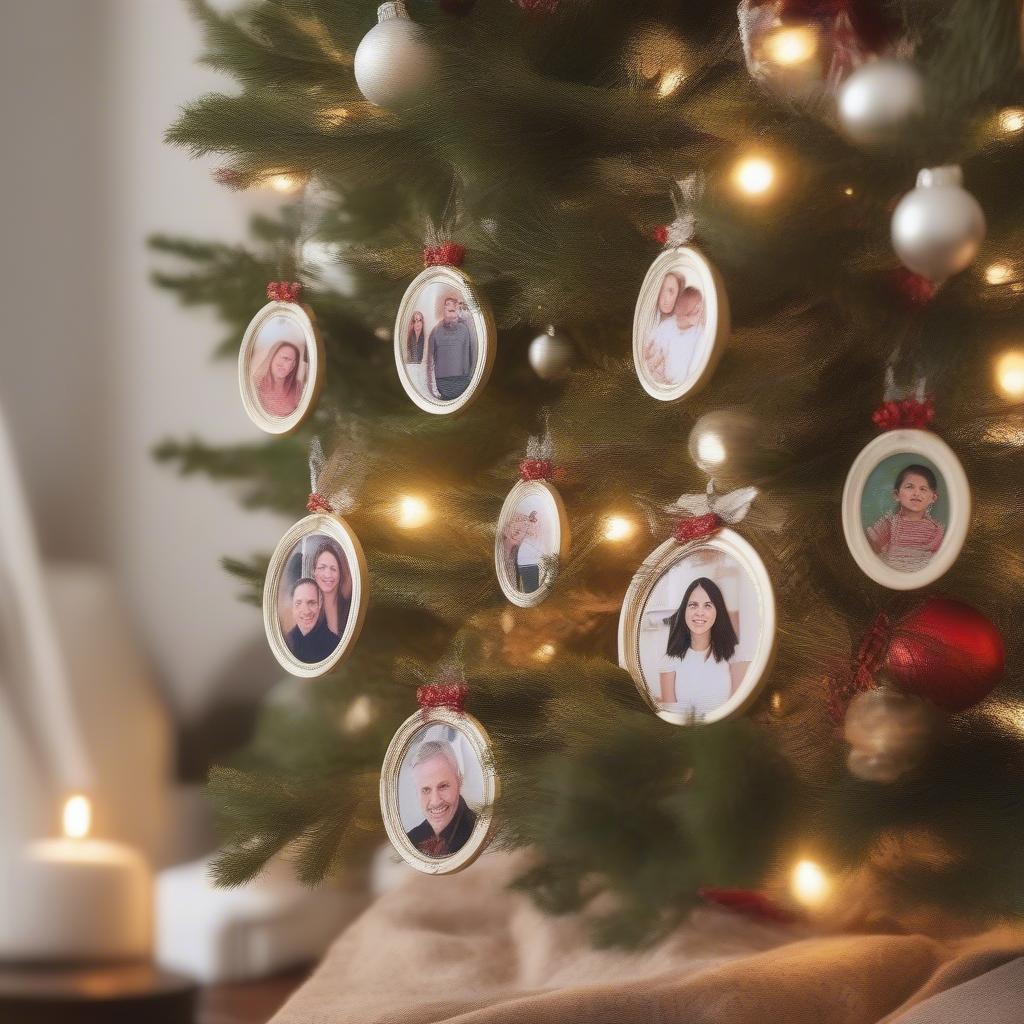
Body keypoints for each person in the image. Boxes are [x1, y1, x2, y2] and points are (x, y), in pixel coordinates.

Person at [657, 576, 749, 716]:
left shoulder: (735, 654)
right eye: (693, 605)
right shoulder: (669, 660)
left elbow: (741, 711)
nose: (699, 612)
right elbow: (671, 717)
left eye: (707, 605)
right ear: (684, 611)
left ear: (717, 611)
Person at [404, 739, 478, 857]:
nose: (435, 801)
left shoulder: (479, 834)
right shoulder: (410, 840)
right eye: (426, 790)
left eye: (443, 786)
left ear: (459, 781)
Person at [866, 464, 945, 572]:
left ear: (933, 497)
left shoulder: (935, 530)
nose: (916, 493)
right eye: (910, 487)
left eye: (923, 489)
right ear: (896, 495)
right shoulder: (891, 523)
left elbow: (940, 561)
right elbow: (871, 547)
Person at [642, 286, 706, 388]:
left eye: (700, 308)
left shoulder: (699, 333)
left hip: (679, 384)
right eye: (697, 309)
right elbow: (647, 350)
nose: (701, 313)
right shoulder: (667, 325)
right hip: (662, 381)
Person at [426, 296, 477, 401]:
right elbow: (429, 361)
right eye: (447, 305)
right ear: (443, 310)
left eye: (453, 306)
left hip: (463, 381)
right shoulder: (435, 331)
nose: (451, 307)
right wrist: (433, 389)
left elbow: (469, 355)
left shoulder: (464, 329)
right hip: (442, 383)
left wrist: (469, 380)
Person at [284, 577, 339, 664]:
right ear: (292, 607)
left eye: (311, 603)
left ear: (320, 604)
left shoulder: (335, 645)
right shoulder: (285, 643)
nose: (306, 611)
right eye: (298, 603)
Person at [252, 339, 304, 417]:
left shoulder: (298, 387)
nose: (280, 363)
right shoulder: (255, 385)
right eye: (280, 357)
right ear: (271, 357)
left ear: (293, 366)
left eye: (287, 359)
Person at [311, 541, 352, 639]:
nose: (328, 574)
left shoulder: (351, 609)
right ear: (314, 572)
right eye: (322, 567)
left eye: (333, 569)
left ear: (339, 574)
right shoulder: (308, 611)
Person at [514, 511, 544, 594]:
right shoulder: (526, 528)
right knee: (531, 592)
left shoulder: (536, 531)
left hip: (530, 562)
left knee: (531, 591)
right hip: (528, 562)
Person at [404, 310, 429, 396]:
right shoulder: (409, 338)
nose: (417, 323)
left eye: (420, 320)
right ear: (412, 323)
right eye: (415, 321)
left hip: (421, 370)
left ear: (422, 322)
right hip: (410, 369)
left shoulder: (426, 338)